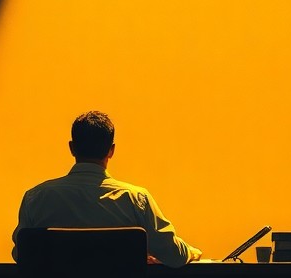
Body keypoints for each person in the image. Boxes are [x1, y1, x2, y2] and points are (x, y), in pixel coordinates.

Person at [11, 111, 202, 267]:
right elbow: (174, 256)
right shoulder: (136, 199)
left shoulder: (36, 198)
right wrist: (191, 253)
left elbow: (21, 254)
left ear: (72, 148)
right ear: (112, 150)